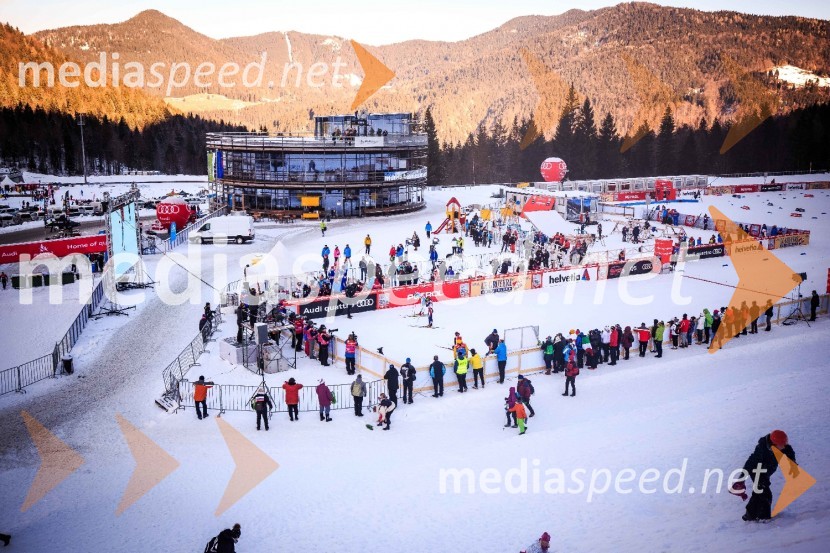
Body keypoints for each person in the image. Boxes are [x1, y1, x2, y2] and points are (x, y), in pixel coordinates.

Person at [735, 430, 798, 522]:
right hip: (756, 470)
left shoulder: (784, 447)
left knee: (759, 492)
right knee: (765, 493)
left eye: (785, 443)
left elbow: (790, 454)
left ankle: (750, 515)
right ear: (774, 444)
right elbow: (750, 462)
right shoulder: (762, 449)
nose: (784, 446)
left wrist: (793, 466)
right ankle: (763, 517)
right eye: (782, 444)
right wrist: (741, 478)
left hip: (766, 471)